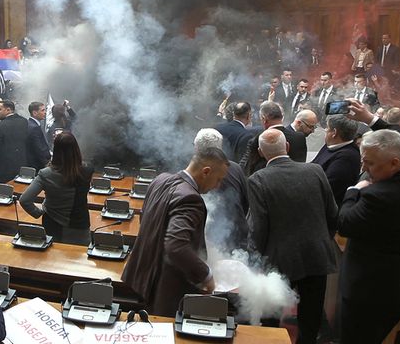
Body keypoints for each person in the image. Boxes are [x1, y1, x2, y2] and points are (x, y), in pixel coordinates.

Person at [337, 129, 400, 344]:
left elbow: (344, 223)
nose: (364, 169)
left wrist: (353, 191)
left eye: (370, 164)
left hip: (373, 289)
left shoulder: (380, 196)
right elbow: (395, 138)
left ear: (394, 163)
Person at [248, 129, 337, 344]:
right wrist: (322, 239)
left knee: (271, 318)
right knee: (311, 318)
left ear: (260, 152)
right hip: (316, 255)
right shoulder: (315, 171)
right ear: (287, 146)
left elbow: (258, 227)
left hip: (278, 260)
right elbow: (333, 214)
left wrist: (255, 261)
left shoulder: (258, 179)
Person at [122, 145, 228, 317]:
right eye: (219, 179)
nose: (218, 186)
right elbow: (176, 245)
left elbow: (145, 219)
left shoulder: (160, 179)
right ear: (206, 171)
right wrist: (206, 275)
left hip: (144, 276)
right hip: (167, 288)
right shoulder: (191, 198)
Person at [19, 132, 93, 245]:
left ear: (56, 150)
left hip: (53, 224)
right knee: (78, 259)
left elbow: (25, 200)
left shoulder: (45, 174)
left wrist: (38, 212)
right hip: (80, 225)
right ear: (76, 149)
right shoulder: (87, 171)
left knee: (52, 260)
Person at [240, 101, 307, 176]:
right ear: (282, 116)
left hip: (266, 183)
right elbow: (301, 164)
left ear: (264, 119)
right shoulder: (299, 138)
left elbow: (247, 167)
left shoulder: (257, 140)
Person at [312, 115, 361, 207]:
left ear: (334, 132)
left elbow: (328, 187)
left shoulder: (347, 157)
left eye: (327, 127)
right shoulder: (330, 146)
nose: (325, 130)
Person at [0, 100, 28, 184]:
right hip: (21, 165)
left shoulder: (0, 126)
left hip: (3, 169)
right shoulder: (24, 121)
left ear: (8, 110)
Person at [26, 101, 50, 170]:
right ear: (34, 113)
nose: (45, 112)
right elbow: (38, 148)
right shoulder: (34, 127)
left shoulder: (30, 124)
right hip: (36, 165)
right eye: (42, 110)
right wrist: (46, 163)